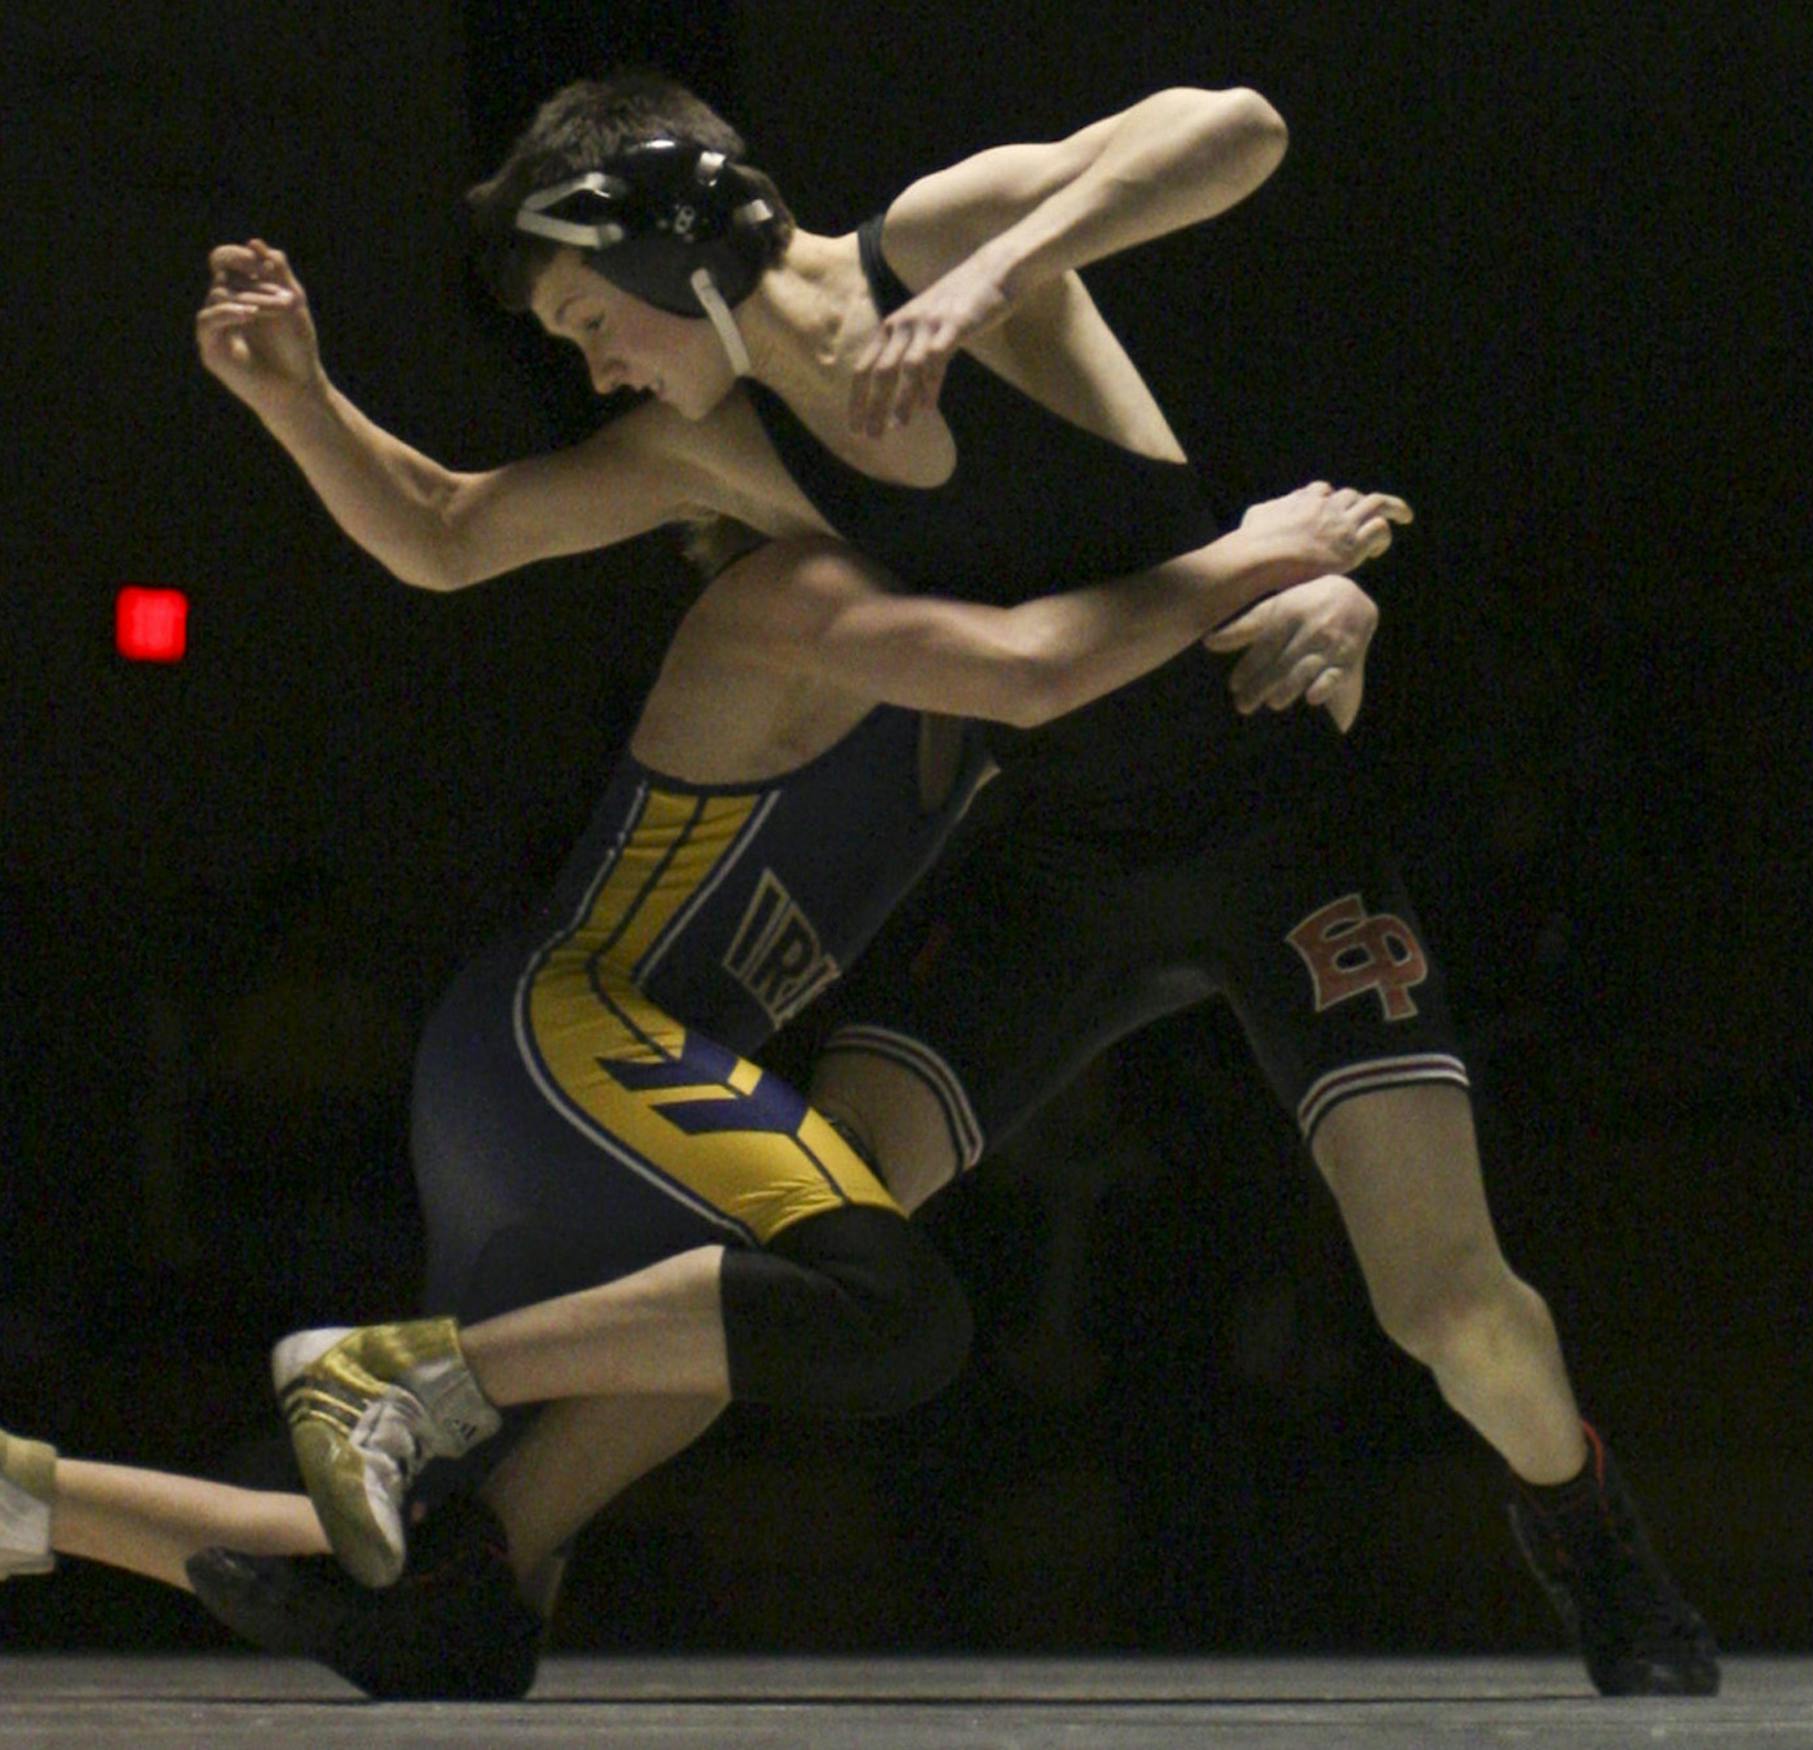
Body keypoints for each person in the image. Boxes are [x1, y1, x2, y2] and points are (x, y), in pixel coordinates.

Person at [190, 71, 1714, 1696]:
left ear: (671, 247)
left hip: (1269, 818)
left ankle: (1583, 1521)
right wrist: (295, 396)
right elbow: (444, 531)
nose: (598, 365)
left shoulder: (934, 244)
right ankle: (484, 1566)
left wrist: (999, 275)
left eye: (589, 319)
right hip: (1052, 860)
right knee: (806, 1255)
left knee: (1450, 1311)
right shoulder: (726, 440)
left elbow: (1245, 126)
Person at [0, 486, 1402, 1690]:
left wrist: (1338, 604)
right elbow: (1062, 650)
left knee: (439, 1599)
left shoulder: (970, 661)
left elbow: (1150, 659)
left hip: (624, 1096)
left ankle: (20, 1495)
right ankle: (395, 1370)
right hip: (567, 1041)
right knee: (884, 1303)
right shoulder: (803, 593)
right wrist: (1261, 553)